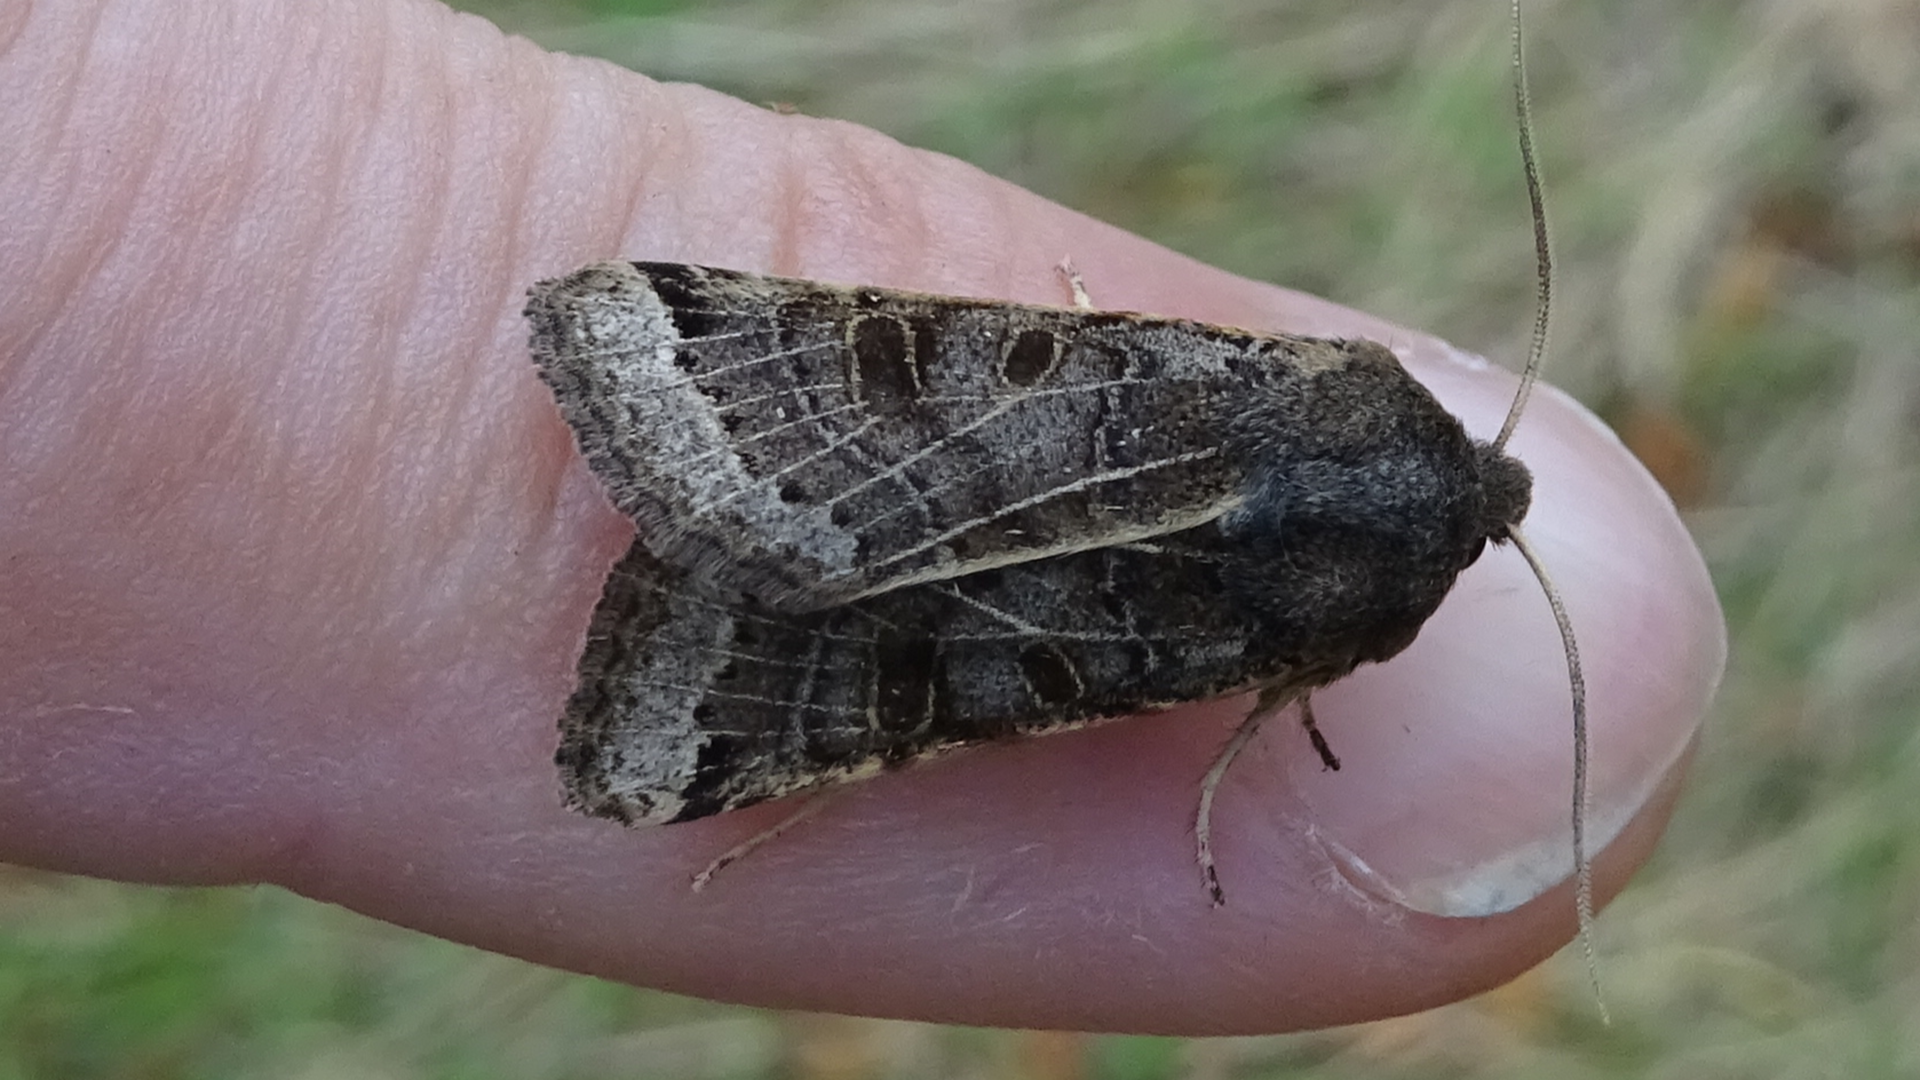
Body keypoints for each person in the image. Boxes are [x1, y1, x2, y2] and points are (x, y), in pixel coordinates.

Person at [0, 0, 1722, 1033]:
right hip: (937, 662)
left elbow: (1122, 344)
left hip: (811, 388)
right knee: (1007, 669)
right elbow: (1253, 698)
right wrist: (1258, 719)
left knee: (1011, 396)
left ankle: (692, 433)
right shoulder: (1348, 619)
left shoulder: (1334, 390)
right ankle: (710, 694)